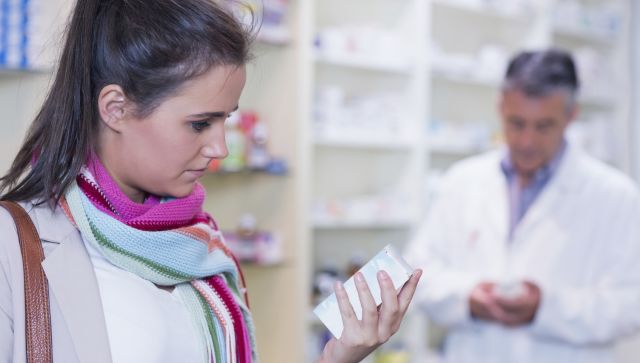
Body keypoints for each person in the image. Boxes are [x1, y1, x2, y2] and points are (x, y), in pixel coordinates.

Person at [0, 1, 422, 362]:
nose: (220, 148)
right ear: (115, 108)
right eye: (200, 124)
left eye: (226, 119)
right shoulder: (13, 245)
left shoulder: (199, 243)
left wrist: (338, 354)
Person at [404, 49, 640, 363]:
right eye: (516, 123)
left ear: (571, 116)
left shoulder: (617, 196)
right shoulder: (461, 181)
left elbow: (631, 305)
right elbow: (417, 275)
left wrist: (547, 307)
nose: (527, 141)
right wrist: (469, 296)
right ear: (500, 107)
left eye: (544, 126)